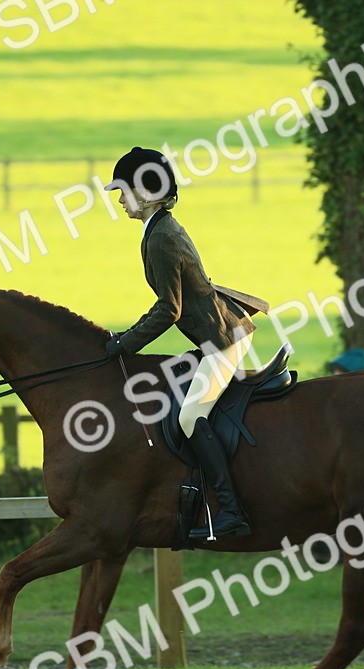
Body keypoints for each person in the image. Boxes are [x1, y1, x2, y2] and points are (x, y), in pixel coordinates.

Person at [102, 147, 269, 540]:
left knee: (190, 416)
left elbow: (168, 311)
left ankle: (230, 511)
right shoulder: (159, 229)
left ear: (147, 192)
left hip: (223, 340)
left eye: (123, 191)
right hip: (213, 333)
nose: (119, 199)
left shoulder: (161, 238)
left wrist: (125, 344)